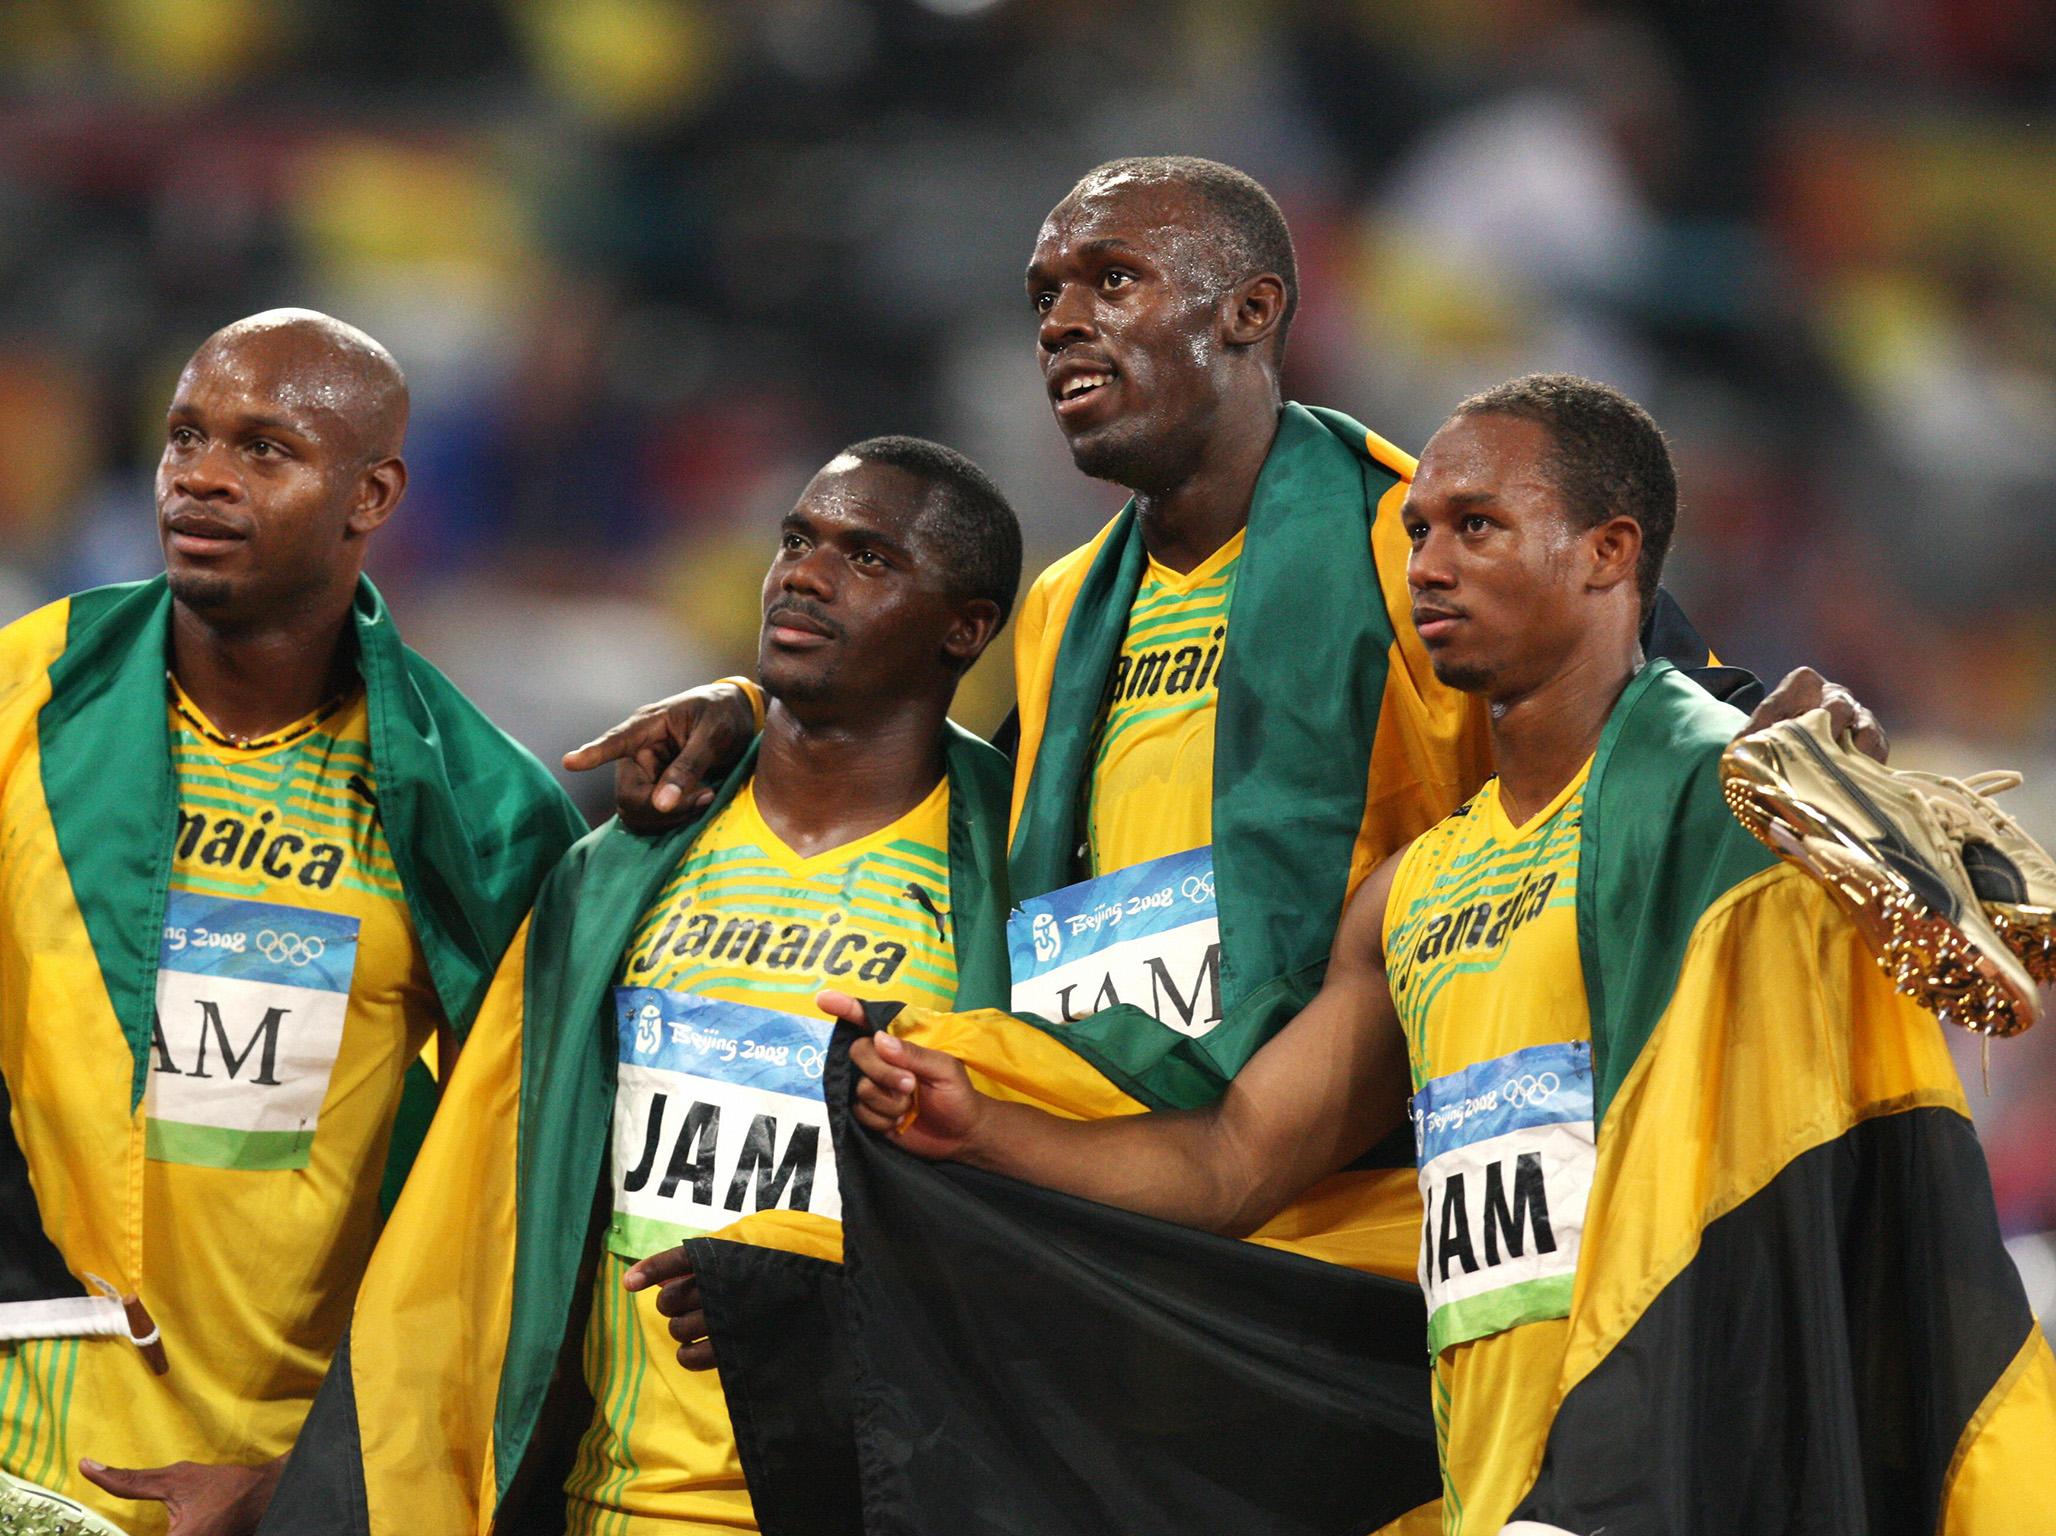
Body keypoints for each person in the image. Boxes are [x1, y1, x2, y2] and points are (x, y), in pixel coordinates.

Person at [569, 165, 1876, 1285]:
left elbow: (1667, 712)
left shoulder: (1415, 536)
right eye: (1045, 298)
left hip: (1390, 1236)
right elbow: (954, 798)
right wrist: (759, 709)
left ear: (1253, 311)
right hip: (1129, 1209)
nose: (1065, 324)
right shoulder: (1065, 609)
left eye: (1114, 282)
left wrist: (1801, 736)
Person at [837, 375, 2056, 1534]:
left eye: (1477, 526)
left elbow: (1855, 1114)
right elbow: (1232, 1162)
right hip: (1483, 1478)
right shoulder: (1408, 896)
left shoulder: (1724, 807)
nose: (1427, 564)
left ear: (1608, 552)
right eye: (1418, 530)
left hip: (1685, 1456)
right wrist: (983, 1128)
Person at [256, 437, 1023, 1535]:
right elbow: (480, 1212)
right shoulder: (619, 867)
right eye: (797, 541)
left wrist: (826, 1287)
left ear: (967, 627)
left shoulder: (1015, 876)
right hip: (606, 1500)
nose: (803, 574)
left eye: (868, 558)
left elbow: (1057, 1198)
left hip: (870, 1504)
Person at [0, 311, 586, 1536]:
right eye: (184, 439)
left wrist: (311, 1491)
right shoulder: (28, 693)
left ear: (370, 493)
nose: (202, 476)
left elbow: (515, 1204)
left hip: (242, 1476)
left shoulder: (482, 811)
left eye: (265, 450)